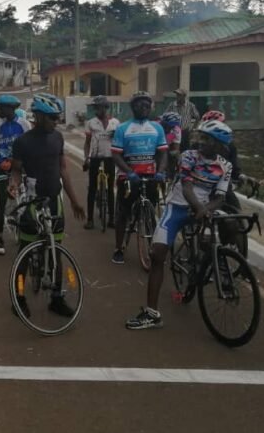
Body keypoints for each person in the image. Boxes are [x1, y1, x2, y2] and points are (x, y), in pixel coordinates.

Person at [126, 120, 234, 330]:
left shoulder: (225, 166)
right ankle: (151, 313)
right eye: (201, 138)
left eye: (208, 140)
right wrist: (200, 209)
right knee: (157, 255)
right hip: (177, 208)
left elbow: (220, 197)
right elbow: (186, 187)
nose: (201, 143)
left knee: (226, 227)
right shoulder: (189, 156)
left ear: (220, 145)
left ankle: (216, 267)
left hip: (203, 209)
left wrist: (206, 210)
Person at [9, 93, 85, 317]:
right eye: (52, 117)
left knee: (56, 250)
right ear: (39, 116)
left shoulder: (57, 138)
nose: (56, 121)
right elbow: (15, 170)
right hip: (33, 202)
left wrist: (74, 201)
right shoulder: (22, 142)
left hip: (54, 201)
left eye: (57, 117)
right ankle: (19, 297)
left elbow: (63, 169)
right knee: (25, 252)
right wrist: (13, 185)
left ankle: (56, 299)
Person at [111, 91, 168, 265]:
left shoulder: (157, 128)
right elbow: (116, 155)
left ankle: (152, 247)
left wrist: (161, 171)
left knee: (151, 213)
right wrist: (129, 171)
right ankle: (119, 248)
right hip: (129, 177)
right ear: (133, 107)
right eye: (139, 104)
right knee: (123, 213)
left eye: (146, 104)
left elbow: (163, 153)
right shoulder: (123, 128)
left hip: (151, 176)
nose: (143, 107)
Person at [0, 94, 31, 255]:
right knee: (1, 201)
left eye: (1, 108)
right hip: (3, 166)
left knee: (28, 200)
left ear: (10, 109)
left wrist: (19, 162)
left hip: (21, 166)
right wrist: (1, 160)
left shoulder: (24, 124)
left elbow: (28, 146)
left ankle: (28, 233)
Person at [83, 95, 120, 230]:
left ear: (106, 107)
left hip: (110, 158)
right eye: (96, 107)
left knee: (110, 188)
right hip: (95, 158)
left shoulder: (115, 123)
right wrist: (86, 158)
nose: (98, 110)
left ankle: (111, 219)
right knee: (92, 188)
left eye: (100, 107)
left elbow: (120, 141)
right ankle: (90, 219)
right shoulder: (91, 123)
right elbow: (87, 143)